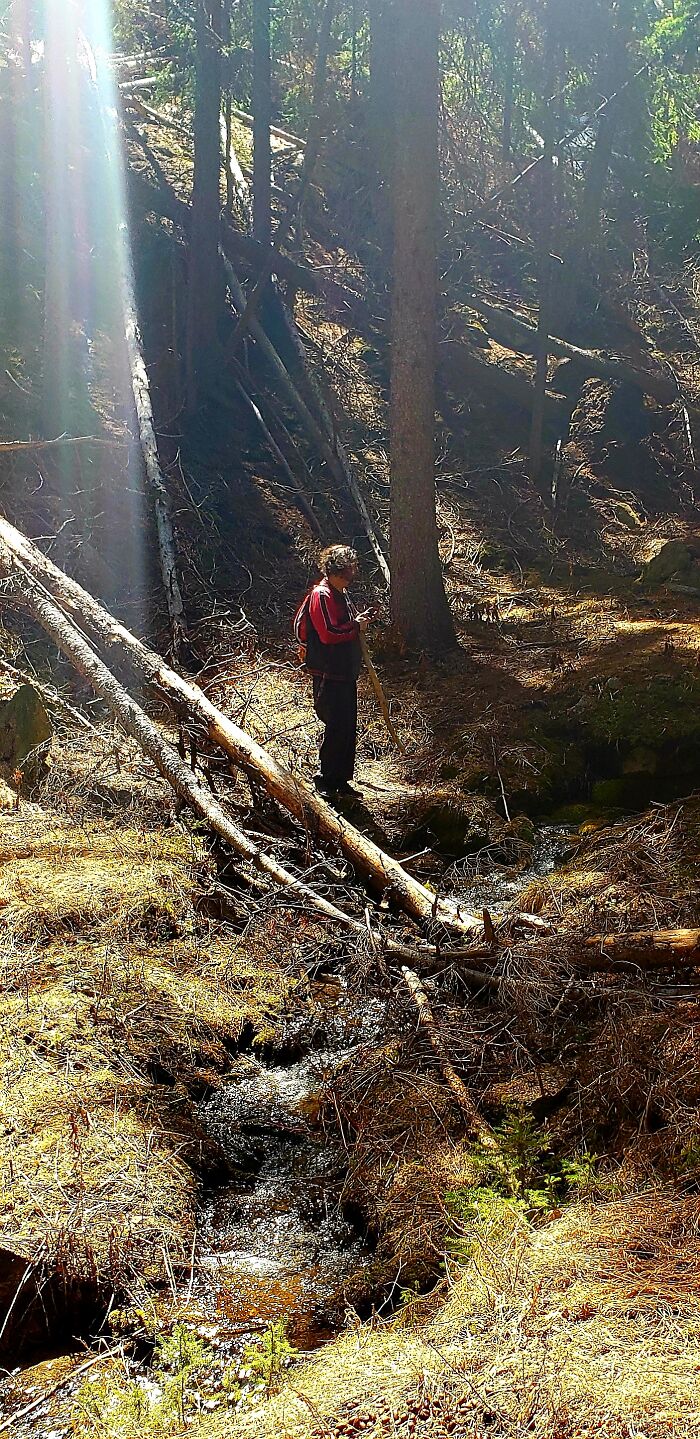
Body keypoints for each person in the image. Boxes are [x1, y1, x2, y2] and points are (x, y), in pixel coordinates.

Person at [296, 545, 372, 797]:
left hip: (345, 672)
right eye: (349, 568)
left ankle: (341, 780)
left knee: (347, 726)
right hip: (329, 673)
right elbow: (329, 633)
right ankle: (327, 780)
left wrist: (357, 622)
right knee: (336, 725)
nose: (353, 573)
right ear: (338, 570)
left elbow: (342, 625)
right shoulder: (322, 595)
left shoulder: (341, 593)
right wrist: (355, 627)